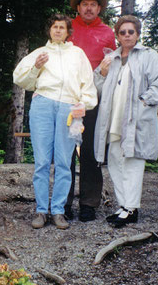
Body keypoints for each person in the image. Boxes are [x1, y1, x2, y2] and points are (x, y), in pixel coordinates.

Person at [13, 14, 97, 230]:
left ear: (69, 31)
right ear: (49, 30)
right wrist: (36, 68)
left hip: (70, 109)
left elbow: (88, 85)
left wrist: (83, 104)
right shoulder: (39, 54)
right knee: (41, 161)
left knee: (63, 161)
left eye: (62, 27)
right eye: (54, 27)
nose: (58, 30)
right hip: (43, 105)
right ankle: (41, 211)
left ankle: (58, 211)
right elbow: (20, 79)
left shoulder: (78, 54)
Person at [94, 15, 158, 228]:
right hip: (113, 119)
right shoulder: (112, 58)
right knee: (115, 161)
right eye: (122, 32)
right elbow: (96, 86)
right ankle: (123, 205)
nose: (127, 35)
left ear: (137, 34)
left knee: (132, 163)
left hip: (135, 120)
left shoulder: (149, 56)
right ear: (117, 35)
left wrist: (143, 102)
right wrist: (103, 72)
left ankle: (131, 209)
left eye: (131, 32)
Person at [65, 0, 116, 222]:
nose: (88, 8)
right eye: (84, 4)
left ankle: (88, 204)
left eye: (93, 4)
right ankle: (62, 203)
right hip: (68, 99)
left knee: (90, 151)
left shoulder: (107, 32)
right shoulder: (67, 28)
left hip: (94, 101)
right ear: (77, 7)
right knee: (66, 150)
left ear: (99, 8)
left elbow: (114, 65)